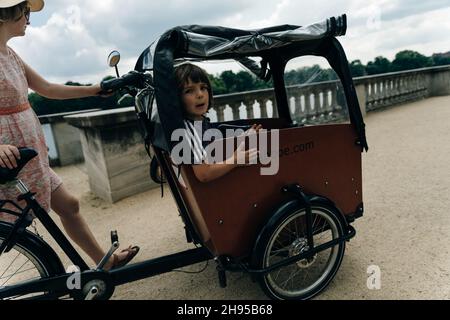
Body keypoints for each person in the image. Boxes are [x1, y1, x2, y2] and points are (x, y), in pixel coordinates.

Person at [0, 0, 138, 270]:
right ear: (7, 14)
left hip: (30, 158)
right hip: (10, 159)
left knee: (70, 205)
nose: (29, 19)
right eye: (26, 12)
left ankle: (104, 262)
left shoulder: (10, 54)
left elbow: (48, 88)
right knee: (7, 230)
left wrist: (94, 89)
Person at [174, 63, 262, 182]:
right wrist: (235, 160)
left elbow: (214, 145)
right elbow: (204, 174)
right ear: (176, 98)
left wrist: (243, 137)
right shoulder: (188, 130)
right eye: (189, 91)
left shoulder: (200, 121)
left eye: (203, 88)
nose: (200, 94)